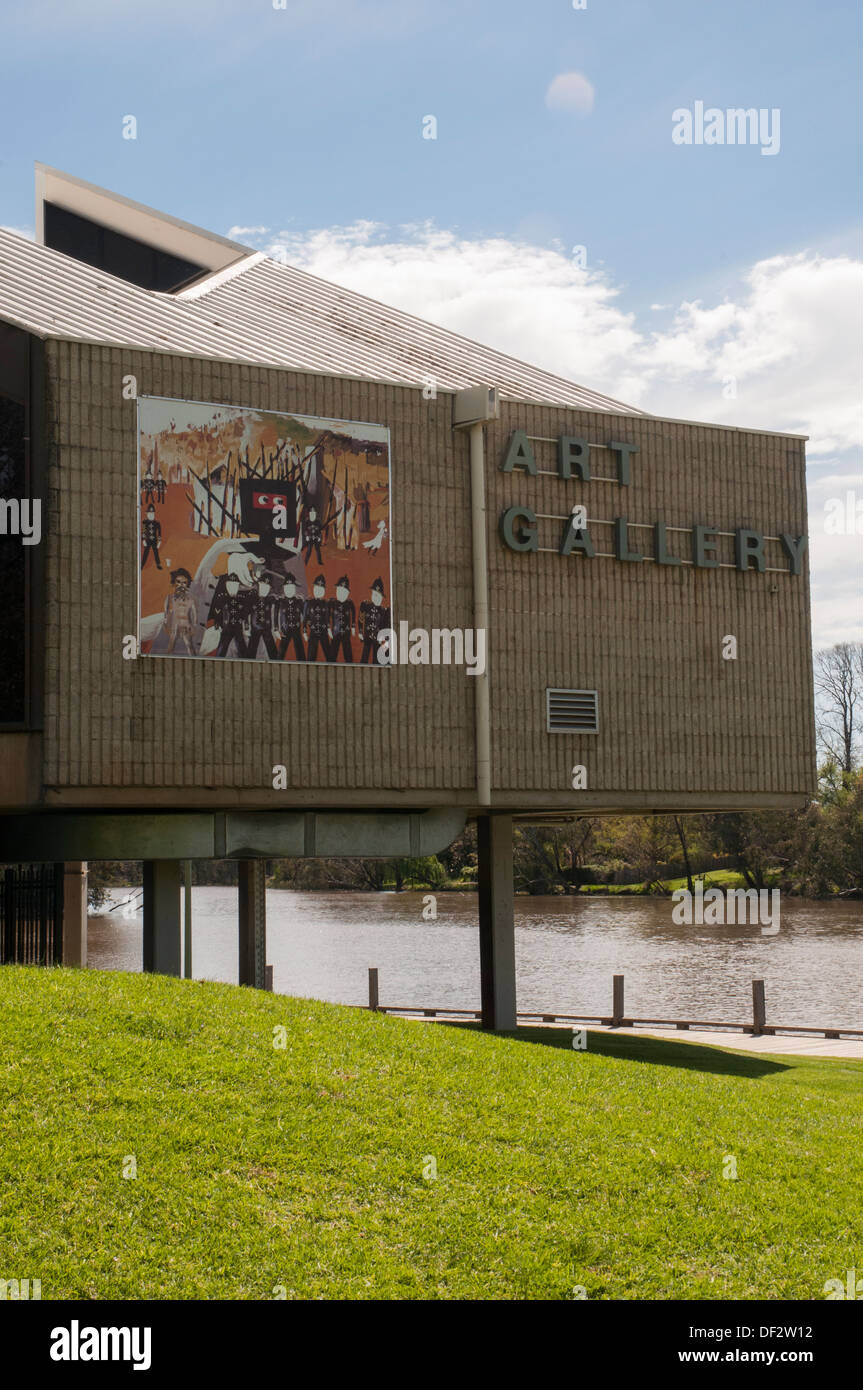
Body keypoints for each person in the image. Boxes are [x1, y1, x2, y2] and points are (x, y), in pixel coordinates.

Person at [211, 576, 250, 659]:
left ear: (238, 586)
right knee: (222, 647)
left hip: (237, 626)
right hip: (226, 626)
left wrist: (246, 623)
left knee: (242, 648)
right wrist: (217, 621)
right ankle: (218, 661)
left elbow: (245, 612)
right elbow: (217, 610)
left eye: (235, 585)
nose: (232, 587)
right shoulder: (222, 597)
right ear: (227, 585)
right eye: (230, 585)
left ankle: (245, 660)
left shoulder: (241, 598)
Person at [163, 568, 197, 654]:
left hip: (186, 626)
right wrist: (167, 625)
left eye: (184, 583)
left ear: (188, 584)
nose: (181, 585)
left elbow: (195, 614)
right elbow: (166, 614)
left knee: (190, 646)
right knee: (170, 646)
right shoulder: (169, 598)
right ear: (174, 583)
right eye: (178, 582)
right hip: (174, 626)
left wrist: (193, 626)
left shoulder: (191, 599)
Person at [246, 573, 279, 660]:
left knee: (273, 652)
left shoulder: (271, 599)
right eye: (263, 585)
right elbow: (246, 612)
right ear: (259, 584)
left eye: (267, 587)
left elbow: (280, 601)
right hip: (255, 628)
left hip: (267, 628)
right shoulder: (252, 598)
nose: (265, 589)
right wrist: (246, 626)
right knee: (251, 651)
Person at [359, 577, 390, 664]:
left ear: (382, 597)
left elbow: (386, 629)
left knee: (376, 660)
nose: (375, 597)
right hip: (367, 637)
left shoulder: (384, 611)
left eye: (378, 595)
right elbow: (361, 618)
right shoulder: (366, 605)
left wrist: (385, 646)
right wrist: (360, 632)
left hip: (378, 639)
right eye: (373, 594)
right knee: (364, 658)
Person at [302, 574, 331, 662]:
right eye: (316, 588)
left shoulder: (326, 603)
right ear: (313, 588)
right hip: (313, 632)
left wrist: (329, 629)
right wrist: (304, 631)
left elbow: (327, 617)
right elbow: (305, 618)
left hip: (324, 632)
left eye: (321, 589)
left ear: (324, 591)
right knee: (311, 657)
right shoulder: (308, 603)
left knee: (329, 656)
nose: (318, 591)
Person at [278, 575, 306, 662]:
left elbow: (304, 616)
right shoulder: (280, 601)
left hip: (296, 629)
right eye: (287, 588)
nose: (289, 590)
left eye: (291, 588)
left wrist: (304, 629)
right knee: (281, 652)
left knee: (300, 650)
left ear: (295, 589)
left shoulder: (299, 601)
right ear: (283, 589)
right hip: (285, 629)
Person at [328, 575, 356, 662]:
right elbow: (327, 615)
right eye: (339, 591)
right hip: (335, 632)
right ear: (336, 591)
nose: (341, 594)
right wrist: (328, 628)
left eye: (344, 592)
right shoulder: (332, 602)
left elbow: (354, 612)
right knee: (332, 654)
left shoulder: (350, 603)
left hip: (346, 632)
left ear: (348, 593)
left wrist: (353, 626)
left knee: (348, 654)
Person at [141, 505, 162, 570]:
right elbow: (143, 532)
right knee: (146, 552)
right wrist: (143, 540)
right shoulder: (144, 522)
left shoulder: (157, 523)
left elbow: (159, 533)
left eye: (152, 513)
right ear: (147, 513)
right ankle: (142, 564)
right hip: (147, 540)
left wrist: (159, 541)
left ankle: (158, 564)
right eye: (149, 513)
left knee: (156, 552)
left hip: (154, 540)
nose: (151, 514)